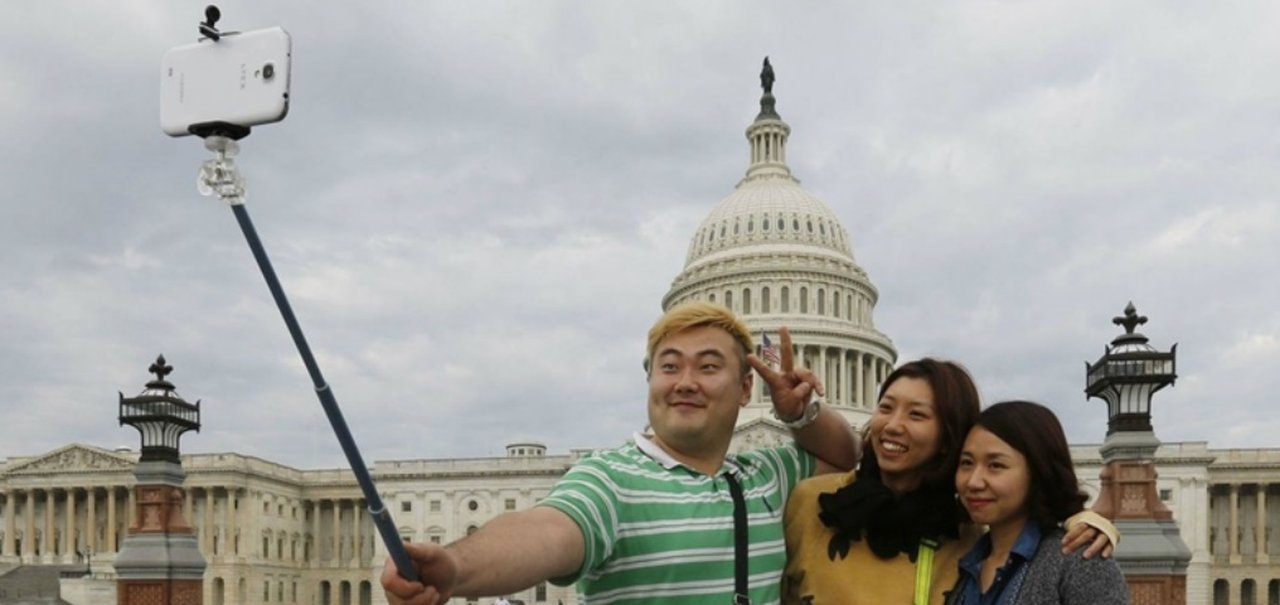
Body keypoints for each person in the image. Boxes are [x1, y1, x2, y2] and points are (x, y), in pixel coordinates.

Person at [382, 301, 861, 605]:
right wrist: (456, 567)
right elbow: (548, 531)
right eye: (669, 367)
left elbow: (846, 456)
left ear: (745, 388)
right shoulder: (610, 479)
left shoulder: (768, 472)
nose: (686, 382)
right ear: (651, 381)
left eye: (708, 366)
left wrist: (802, 414)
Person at [782, 359, 1117, 604]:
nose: (894, 425)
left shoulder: (963, 529)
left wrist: (1082, 519)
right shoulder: (811, 501)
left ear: (947, 436)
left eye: (917, 414)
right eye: (886, 407)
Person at [946, 400, 1128, 604]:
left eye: (995, 465)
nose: (973, 481)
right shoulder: (968, 564)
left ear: (1039, 470)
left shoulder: (1079, 559)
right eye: (967, 463)